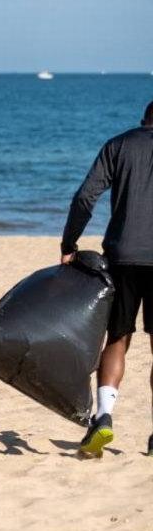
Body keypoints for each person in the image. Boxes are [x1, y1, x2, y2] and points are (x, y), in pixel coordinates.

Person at [61, 100, 153, 457]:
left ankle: (103, 418)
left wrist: (69, 242)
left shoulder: (119, 145)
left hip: (122, 256)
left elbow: (86, 197)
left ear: (144, 119)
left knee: (118, 338)